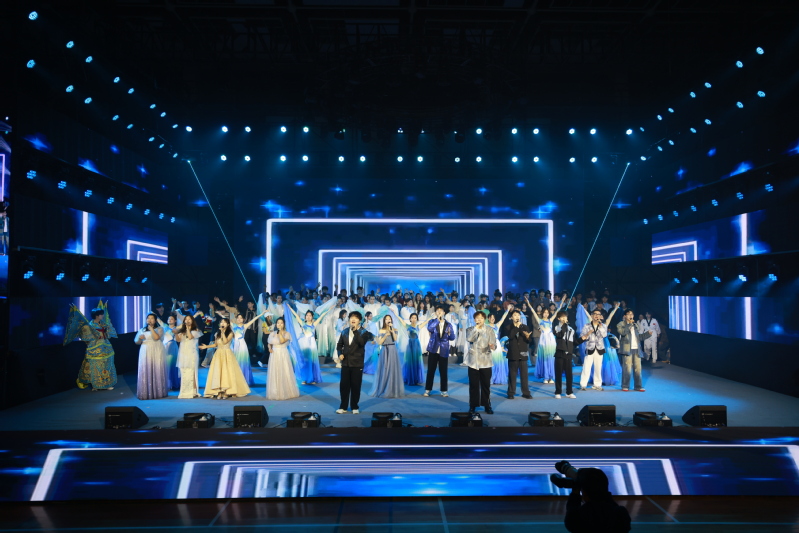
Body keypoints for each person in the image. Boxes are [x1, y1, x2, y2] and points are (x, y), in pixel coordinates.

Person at [64, 301, 118, 391]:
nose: (103, 316)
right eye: (101, 314)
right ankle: (95, 385)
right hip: (95, 348)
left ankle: (107, 384)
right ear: (97, 315)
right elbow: (86, 338)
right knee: (95, 367)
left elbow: (108, 334)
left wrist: (107, 330)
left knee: (107, 366)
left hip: (106, 347)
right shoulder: (90, 325)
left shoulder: (103, 324)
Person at [563, 468, 631, 532]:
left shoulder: (576, 517)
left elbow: (572, 512)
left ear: (585, 493)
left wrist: (575, 492)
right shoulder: (620, 514)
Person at [200, 318, 251, 399]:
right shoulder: (217, 333)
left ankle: (227, 391)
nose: (222, 323)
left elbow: (225, 342)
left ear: (228, 324)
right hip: (218, 354)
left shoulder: (230, 333)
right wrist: (206, 346)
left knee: (227, 372)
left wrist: (223, 332)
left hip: (227, 354)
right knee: (218, 372)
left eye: (224, 322)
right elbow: (216, 344)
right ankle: (219, 391)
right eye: (221, 322)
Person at [336, 311, 374, 414]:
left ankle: (354, 406)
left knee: (356, 385)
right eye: (351, 317)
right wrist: (340, 354)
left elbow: (361, 343)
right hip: (346, 362)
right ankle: (343, 406)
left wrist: (355, 331)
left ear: (359, 320)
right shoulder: (344, 331)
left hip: (357, 363)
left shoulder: (364, 332)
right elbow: (339, 345)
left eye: (356, 318)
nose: (353, 319)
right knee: (344, 386)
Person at [465, 311, 497, 414]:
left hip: (485, 361)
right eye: (477, 318)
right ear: (474, 319)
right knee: (473, 385)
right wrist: (476, 329)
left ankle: (487, 405)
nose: (479, 320)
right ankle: (473, 405)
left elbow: (494, 344)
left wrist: (492, 346)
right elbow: (469, 338)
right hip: (473, 361)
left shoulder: (489, 330)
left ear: (484, 319)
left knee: (486, 385)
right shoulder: (470, 329)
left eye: (481, 318)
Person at [369, 315, 405, 398]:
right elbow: (380, 342)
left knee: (392, 369)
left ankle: (392, 389)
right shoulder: (381, 330)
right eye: (386, 319)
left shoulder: (395, 329)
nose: (388, 320)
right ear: (384, 321)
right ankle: (383, 388)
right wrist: (385, 335)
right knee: (385, 368)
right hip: (385, 350)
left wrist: (392, 331)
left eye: (389, 319)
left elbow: (395, 339)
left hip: (392, 350)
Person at [616, 309, 652, 392]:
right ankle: (625, 385)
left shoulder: (635, 325)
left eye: (631, 314)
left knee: (638, 369)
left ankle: (638, 386)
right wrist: (629, 324)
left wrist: (647, 334)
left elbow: (639, 337)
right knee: (627, 369)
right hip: (627, 349)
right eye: (628, 314)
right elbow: (623, 333)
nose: (630, 316)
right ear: (625, 316)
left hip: (637, 349)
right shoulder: (621, 324)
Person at [424, 304, 456, 397]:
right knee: (431, 370)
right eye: (437, 311)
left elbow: (452, 337)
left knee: (443, 371)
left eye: (441, 311)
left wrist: (450, 334)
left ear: (444, 313)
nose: (439, 312)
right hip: (433, 349)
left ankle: (444, 390)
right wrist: (437, 320)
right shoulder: (432, 322)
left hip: (444, 349)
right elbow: (429, 328)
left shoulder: (448, 324)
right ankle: (428, 389)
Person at [134, 313, 168, 400]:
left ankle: (159, 391)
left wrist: (152, 329)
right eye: (148, 318)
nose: (149, 320)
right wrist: (140, 338)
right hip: (145, 350)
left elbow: (156, 338)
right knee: (146, 368)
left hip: (157, 349)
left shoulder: (160, 328)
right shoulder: (142, 330)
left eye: (152, 318)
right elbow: (136, 342)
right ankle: (146, 392)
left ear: (155, 320)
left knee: (157, 368)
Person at [266, 317, 300, 400]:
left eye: (281, 323)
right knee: (275, 371)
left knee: (284, 370)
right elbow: (269, 342)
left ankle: (286, 391)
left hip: (283, 353)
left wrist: (280, 332)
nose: (279, 324)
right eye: (278, 323)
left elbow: (281, 341)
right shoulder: (272, 333)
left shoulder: (287, 334)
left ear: (284, 324)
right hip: (274, 354)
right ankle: (275, 392)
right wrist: (269, 348)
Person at [553, 310, 584, 399]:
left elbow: (574, 343)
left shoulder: (571, 329)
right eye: (562, 317)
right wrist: (564, 325)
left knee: (569, 374)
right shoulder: (556, 327)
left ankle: (569, 392)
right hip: (560, 352)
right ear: (558, 318)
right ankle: (558, 392)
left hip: (568, 353)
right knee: (558, 373)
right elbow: (560, 335)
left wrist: (582, 339)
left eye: (565, 317)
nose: (564, 318)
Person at [504, 308, 533, 399]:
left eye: (518, 315)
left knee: (524, 375)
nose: (517, 317)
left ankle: (526, 392)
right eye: (515, 315)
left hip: (523, 353)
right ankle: (511, 392)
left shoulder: (525, 327)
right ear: (511, 317)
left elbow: (529, 341)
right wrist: (516, 327)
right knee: (512, 374)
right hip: (513, 353)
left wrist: (528, 337)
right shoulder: (508, 327)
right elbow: (510, 336)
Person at [396, 312, 431, 385]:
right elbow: (400, 319)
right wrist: (395, 313)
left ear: (417, 319)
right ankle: (409, 378)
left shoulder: (419, 326)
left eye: (415, 318)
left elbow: (426, 321)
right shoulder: (407, 326)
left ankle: (416, 378)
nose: (414, 319)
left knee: (416, 361)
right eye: (412, 318)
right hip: (410, 344)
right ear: (410, 319)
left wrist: (432, 317)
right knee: (409, 361)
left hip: (416, 345)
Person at [579, 308, 608, 391]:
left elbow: (604, 335)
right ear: (591, 316)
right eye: (595, 314)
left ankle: (597, 384)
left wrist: (600, 327)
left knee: (598, 367)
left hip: (599, 349)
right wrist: (588, 334)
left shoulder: (603, 326)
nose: (596, 316)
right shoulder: (587, 326)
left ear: (600, 316)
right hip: (590, 348)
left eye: (598, 314)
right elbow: (582, 336)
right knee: (586, 367)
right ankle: (583, 384)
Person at [176, 314, 203, 398]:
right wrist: (176, 333)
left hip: (192, 353)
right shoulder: (182, 331)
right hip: (183, 353)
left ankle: (193, 391)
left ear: (192, 321)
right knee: (184, 371)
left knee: (192, 371)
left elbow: (190, 337)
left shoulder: (196, 330)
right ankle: (184, 391)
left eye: (189, 319)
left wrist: (187, 328)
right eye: (186, 319)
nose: (187, 321)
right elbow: (178, 340)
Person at [159, 314, 180, 390]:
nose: (169, 320)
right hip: (164, 347)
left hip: (172, 346)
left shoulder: (177, 328)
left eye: (171, 319)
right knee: (164, 364)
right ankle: (165, 383)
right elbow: (159, 320)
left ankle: (173, 383)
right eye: (168, 319)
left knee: (172, 365)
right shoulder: (164, 327)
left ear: (175, 320)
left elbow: (178, 339)